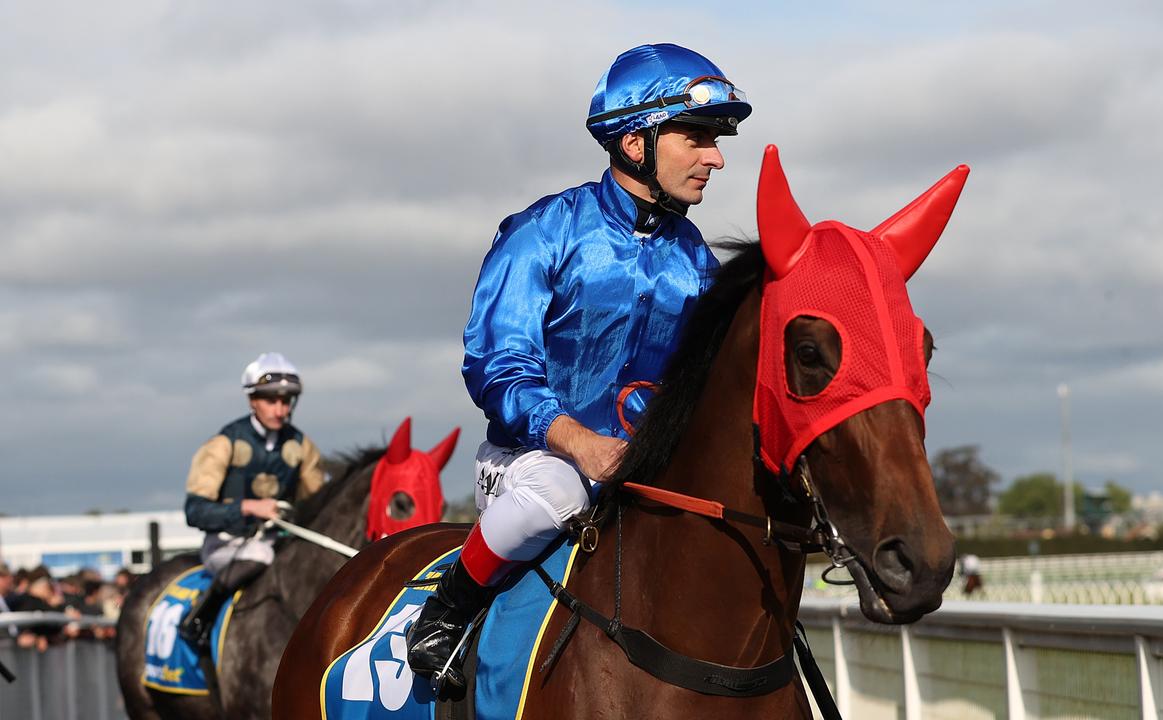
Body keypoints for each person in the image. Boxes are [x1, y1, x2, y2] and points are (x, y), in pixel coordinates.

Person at [405, 43, 752, 679]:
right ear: (634, 143)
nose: (717, 157)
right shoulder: (543, 233)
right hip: (533, 460)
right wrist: (577, 441)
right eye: (697, 137)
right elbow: (496, 364)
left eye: (717, 139)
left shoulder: (695, 258)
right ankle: (447, 613)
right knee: (557, 491)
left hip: (639, 465)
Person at [178, 352, 324, 650]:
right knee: (260, 556)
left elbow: (319, 503)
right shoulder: (223, 444)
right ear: (252, 400)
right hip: (226, 544)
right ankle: (199, 618)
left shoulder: (302, 446)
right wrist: (248, 507)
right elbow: (194, 512)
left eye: (287, 401)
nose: (280, 410)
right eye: (272, 400)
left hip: (278, 543)